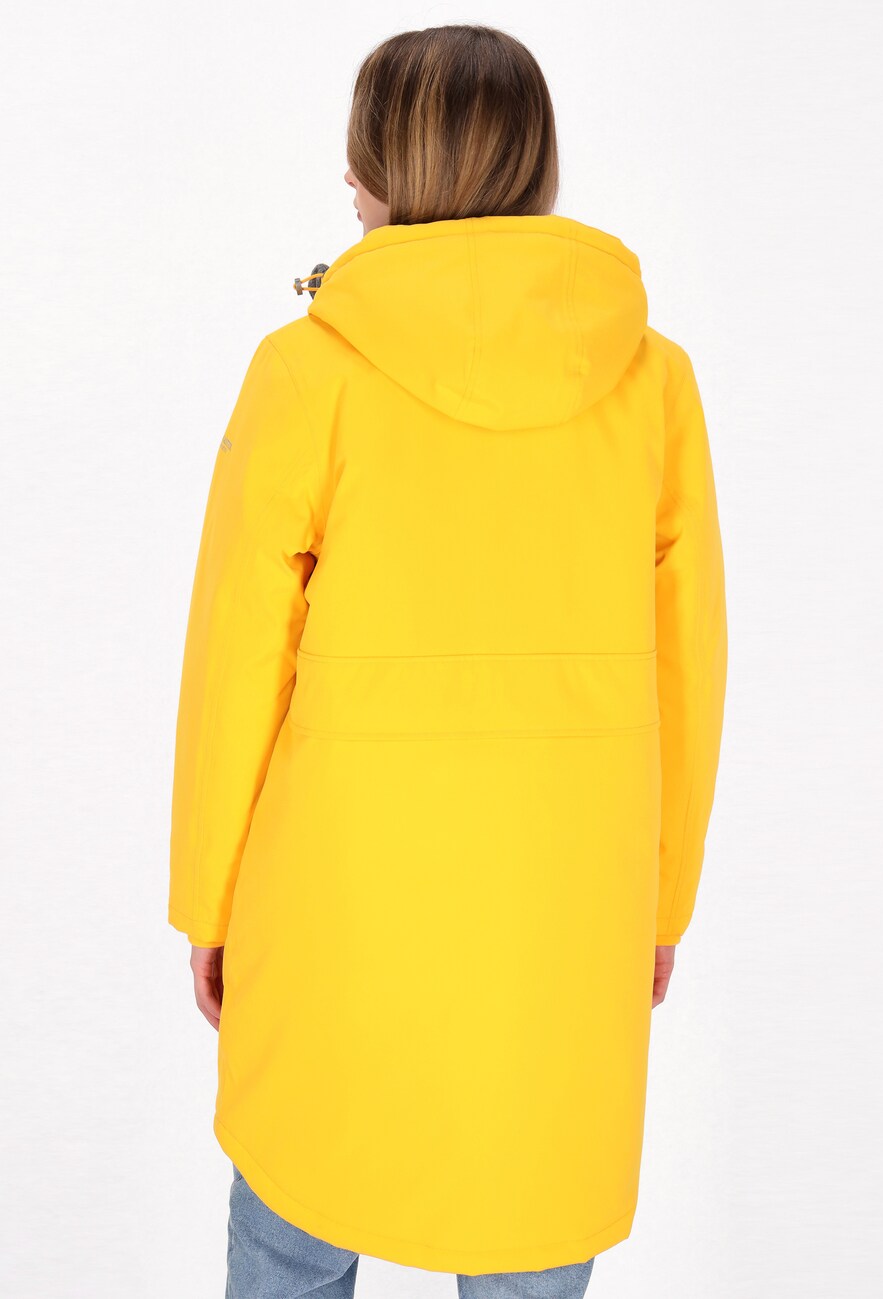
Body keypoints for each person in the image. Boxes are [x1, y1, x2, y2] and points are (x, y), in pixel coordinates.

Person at [168, 22, 728, 1299]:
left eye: (357, 152)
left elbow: (235, 653)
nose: (344, 176)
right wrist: (660, 900)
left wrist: (212, 900)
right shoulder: (654, 383)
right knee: (533, 1222)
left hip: (336, 893)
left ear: (388, 169)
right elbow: (688, 667)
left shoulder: (307, 372)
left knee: (295, 1224)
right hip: (568, 895)